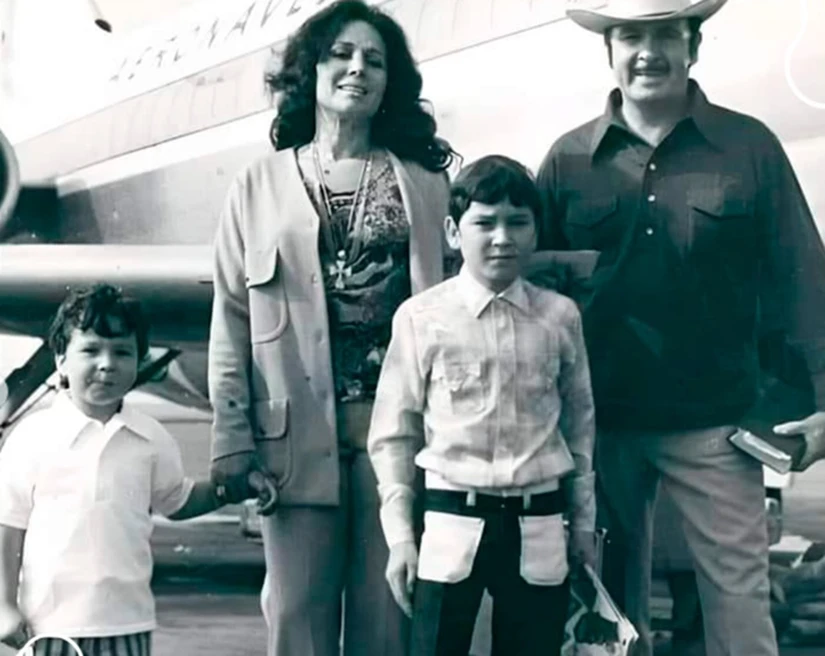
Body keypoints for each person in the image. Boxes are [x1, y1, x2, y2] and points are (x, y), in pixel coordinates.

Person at [535, 1, 825, 655]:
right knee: (602, 612)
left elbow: (802, 280)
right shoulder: (566, 160)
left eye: (665, 34)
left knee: (739, 607)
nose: (648, 51)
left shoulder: (749, 147)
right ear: (607, 52)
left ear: (692, 46)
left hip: (717, 425)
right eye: (630, 36)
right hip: (598, 429)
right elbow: (533, 301)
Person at [206, 1, 453, 654]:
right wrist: (232, 440)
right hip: (293, 441)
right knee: (297, 620)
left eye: (374, 60)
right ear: (308, 71)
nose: (356, 69)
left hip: (397, 434)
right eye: (340, 54)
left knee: (389, 620)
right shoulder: (255, 186)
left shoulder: (427, 184)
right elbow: (231, 317)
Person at [368, 155, 597, 655]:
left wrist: (582, 527)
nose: (501, 237)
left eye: (517, 223)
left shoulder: (560, 318)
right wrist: (401, 539)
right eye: (484, 222)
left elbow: (580, 430)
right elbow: (393, 436)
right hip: (452, 522)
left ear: (536, 232)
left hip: (538, 523)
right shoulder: (421, 318)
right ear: (453, 232)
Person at [0, 284, 230, 656]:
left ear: (139, 362)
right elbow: (7, 527)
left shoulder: (150, 438)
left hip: (126, 623)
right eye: (90, 350)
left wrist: (231, 489)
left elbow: (178, 500)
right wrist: (4, 606)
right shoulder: (32, 437)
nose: (107, 363)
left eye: (122, 352)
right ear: (60, 359)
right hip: (48, 626)